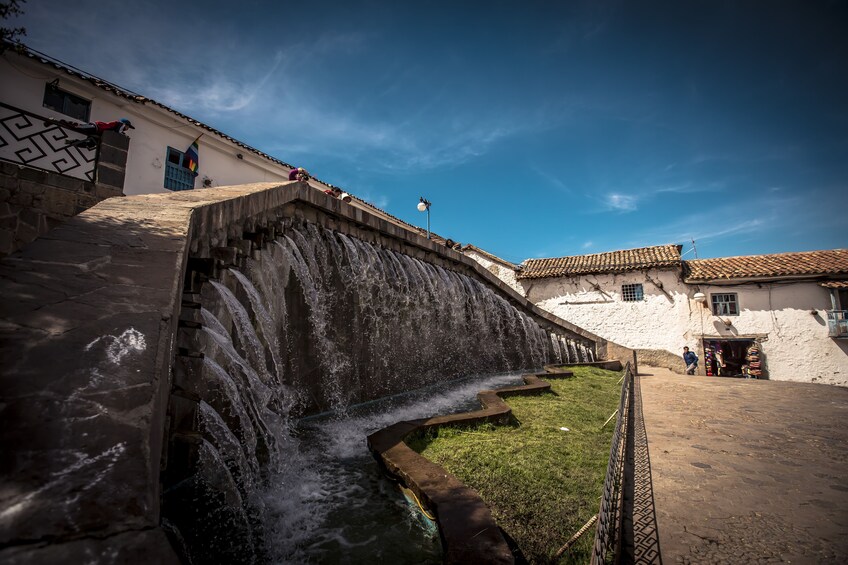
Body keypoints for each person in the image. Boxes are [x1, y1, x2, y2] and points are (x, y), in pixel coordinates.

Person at [45, 117, 134, 149]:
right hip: (96, 127)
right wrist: (124, 136)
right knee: (78, 127)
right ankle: (55, 121)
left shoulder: (118, 128)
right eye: (128, 126)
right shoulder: (120, 124)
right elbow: (118, 131)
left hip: (98, 133)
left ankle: (72, 142)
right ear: (125, 124)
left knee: (90, 144)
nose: (127, 128)